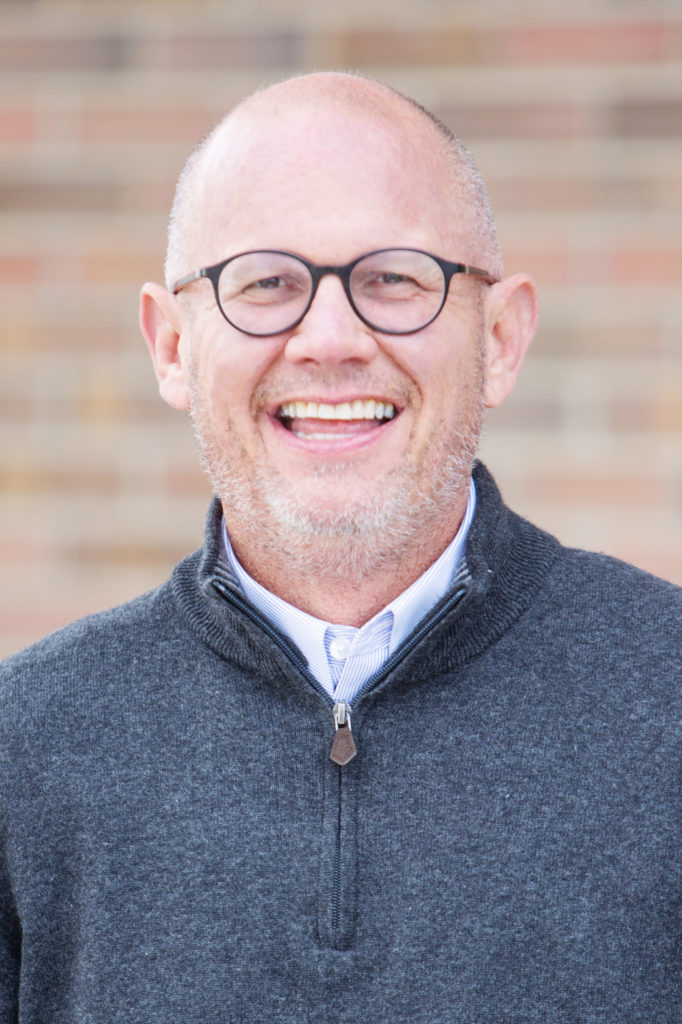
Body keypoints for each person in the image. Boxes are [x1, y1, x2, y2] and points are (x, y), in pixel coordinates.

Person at [0, 72, 679, 1024]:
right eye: (266, 283)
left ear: (500, 338)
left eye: (394, 277)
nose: (328, 338)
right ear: (170, 346)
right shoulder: (21, 744)